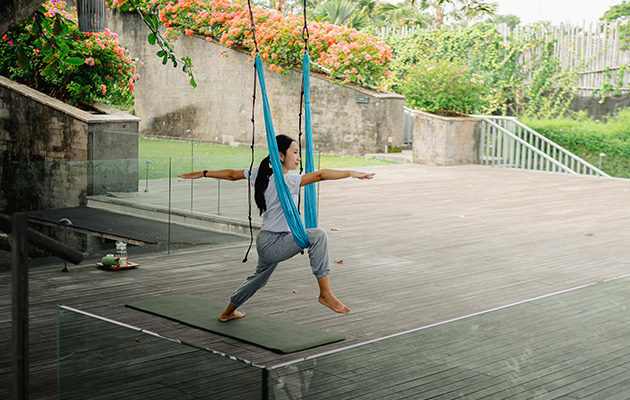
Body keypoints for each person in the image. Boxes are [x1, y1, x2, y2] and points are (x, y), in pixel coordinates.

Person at [178, 134, 374, 321]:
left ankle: (228, 312)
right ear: (281, 155)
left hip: (267, 241)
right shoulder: (286, 181)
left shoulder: (261, 174)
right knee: (318, 236)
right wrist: (350, 173)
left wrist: (203, 173)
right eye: (295, 152)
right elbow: (321, 175)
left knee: (257, 280)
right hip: (275, 242)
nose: (298, 158)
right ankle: (326, 294)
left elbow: (231, 175)